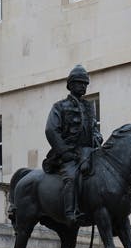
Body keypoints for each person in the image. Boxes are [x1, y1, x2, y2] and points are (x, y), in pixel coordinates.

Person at [43, 64, 103, 225]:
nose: (83, 86)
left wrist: (98, 138)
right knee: (71, 176)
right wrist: (64, 152)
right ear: (70, 85)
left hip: (89, 152)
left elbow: (94, 128)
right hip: (69, 153)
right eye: (79, 82)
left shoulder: (90, 107)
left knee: (105, 174)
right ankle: (70, 212)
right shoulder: (60, 106)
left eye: (85, 83)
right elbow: (51, 130)